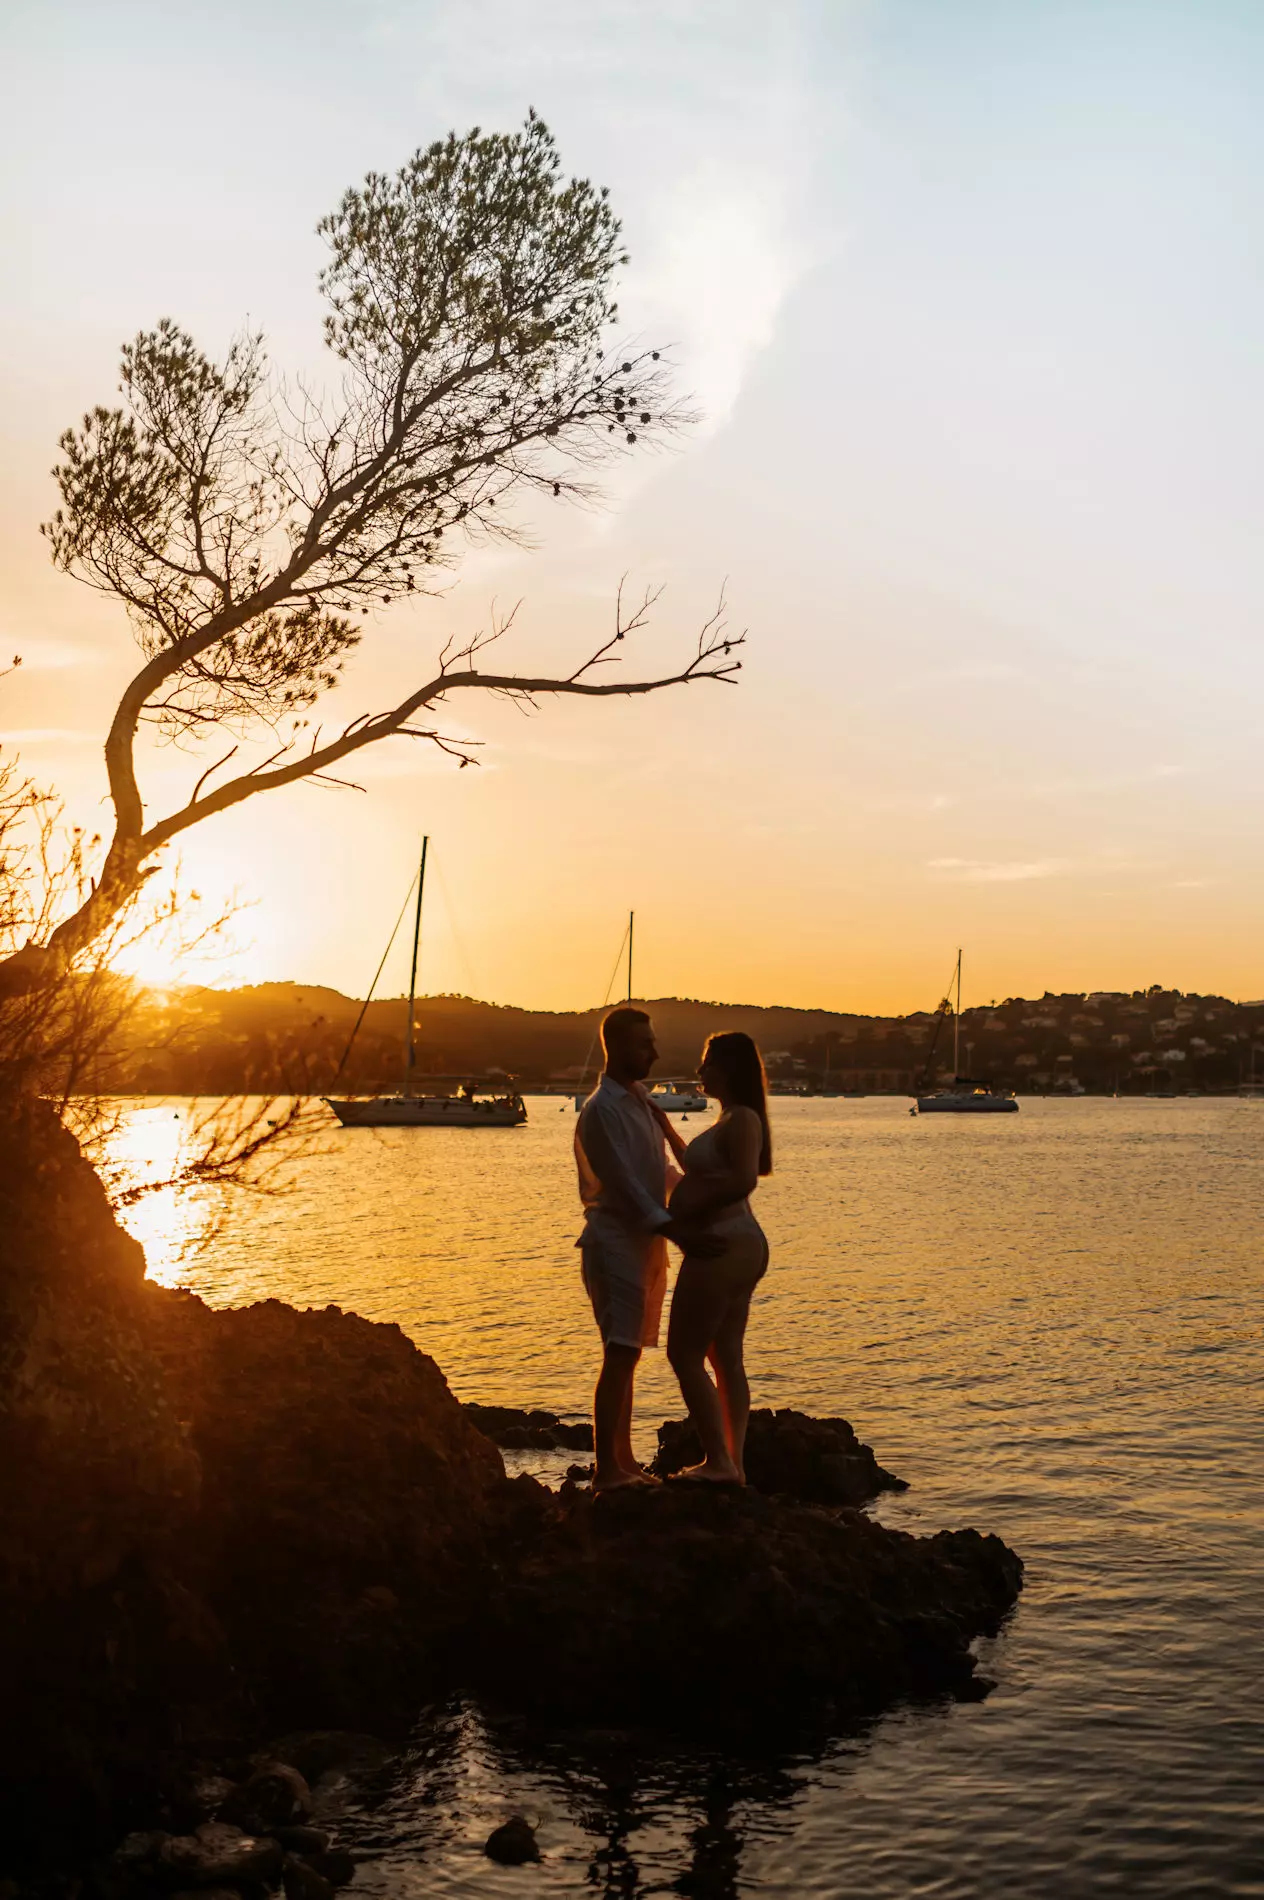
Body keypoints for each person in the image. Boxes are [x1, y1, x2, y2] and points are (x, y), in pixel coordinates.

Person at [575, 1007, 721, 1492]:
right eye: (644, 1043)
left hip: (645, 1242)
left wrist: (702, 1202)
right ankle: (606, 1470)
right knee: (619, 1351)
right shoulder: (602, 1110)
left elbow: (659, 1173)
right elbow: (622, 1186)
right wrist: (678, 1230)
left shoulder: (640, 1102)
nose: (654, 1051)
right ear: (616, 1047)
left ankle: (624, 1460)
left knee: (628, 1353)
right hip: (615, 1240)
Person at [658, 1031, 772, 1484]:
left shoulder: (742, 1118)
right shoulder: (730, 1120)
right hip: (738, 1242)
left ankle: (720, 1462)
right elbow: (705, 1170)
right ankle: (734, 1466)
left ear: (728, 1068)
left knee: (683, 1356)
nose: (700, 1072)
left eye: (707, 1064)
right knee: (725, 1357)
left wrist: (684, 1214)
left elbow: (743, 1180)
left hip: (724, 1243)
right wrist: (665, 1129)